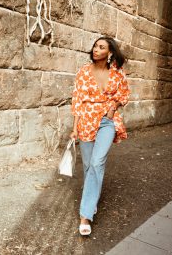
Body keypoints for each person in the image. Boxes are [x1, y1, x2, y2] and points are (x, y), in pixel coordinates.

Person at [70, 36, 131, 236]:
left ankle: (85, 215)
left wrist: (114, 106)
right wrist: (75, 128)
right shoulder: (83, 72)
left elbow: (124, 94)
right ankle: (92, 200)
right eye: (95, 46)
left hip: (106, 121)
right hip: (86, 121)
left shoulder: (116, 74)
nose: (96, 49)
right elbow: (77, 102)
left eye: (101, 47)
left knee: (97, 162)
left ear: (109, 52)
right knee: (88, 166)